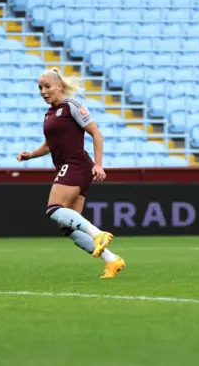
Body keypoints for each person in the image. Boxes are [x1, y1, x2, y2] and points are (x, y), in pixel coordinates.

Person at [16, 67, 126, 279]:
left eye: (47, 86)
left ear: (60, 86)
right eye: (40, 87)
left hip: (76, 164)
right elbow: (50, 145)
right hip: (72, 167)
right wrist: (30, 155)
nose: (43, 91)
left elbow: (96, 133)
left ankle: (98, 234)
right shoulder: (49, 114)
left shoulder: (72, 106)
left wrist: (99, 164)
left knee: (53, 209)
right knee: (67, 228)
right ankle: (112, 260)